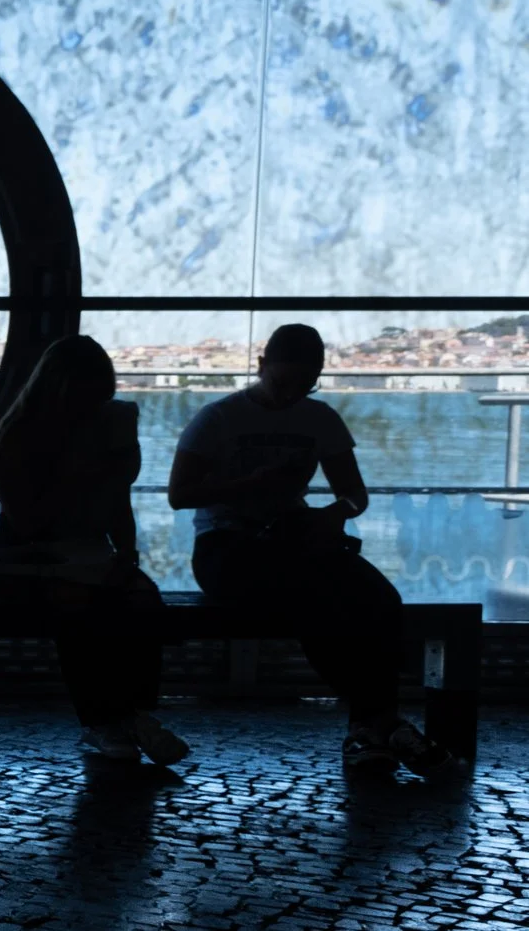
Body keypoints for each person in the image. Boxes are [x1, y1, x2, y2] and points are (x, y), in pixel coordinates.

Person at [170, 324, 460, 779]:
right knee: (328, 597)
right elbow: (180, 495)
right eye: (283, 382)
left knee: (380, 598)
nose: (291, 394)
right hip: (225, 545)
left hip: (290, 542)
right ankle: (378, 722)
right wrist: (250, 487)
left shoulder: (318, 419)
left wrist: (333, 514)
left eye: (304, 385)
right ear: (261, 366)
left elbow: (354, 495)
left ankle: (371, 728)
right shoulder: (218, 418)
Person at [0, 335, 188, 765]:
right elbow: (29, 523)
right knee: (90, 602)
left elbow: (115, 503)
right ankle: (122, 716)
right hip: (27, 558)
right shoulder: (21, 438)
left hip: (62, 557)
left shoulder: (33, 434)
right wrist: (83, 474)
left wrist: (126, 554)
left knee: (129, 600)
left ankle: (116, 718)